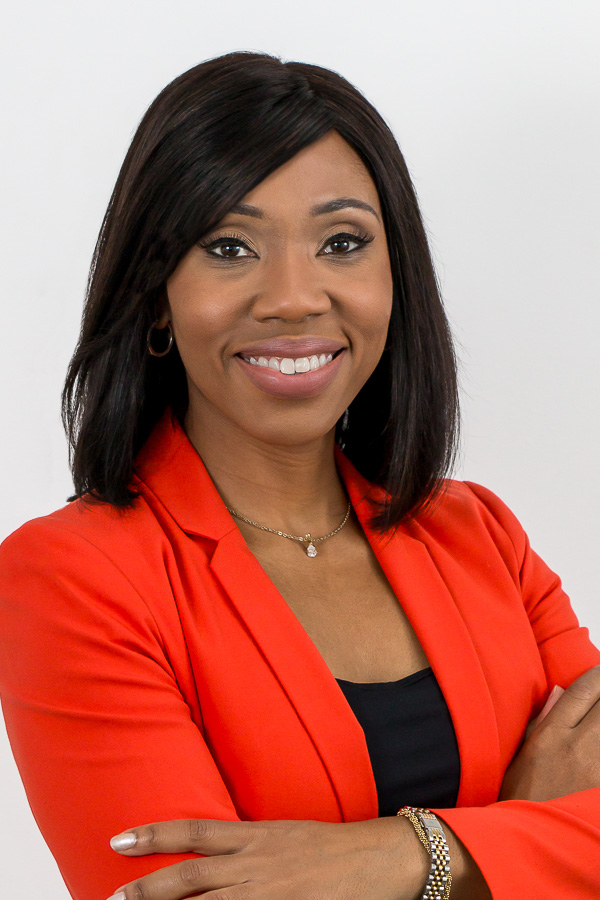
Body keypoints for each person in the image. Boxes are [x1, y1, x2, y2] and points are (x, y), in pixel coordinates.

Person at [0, 50, 599, 900]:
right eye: (231, 246)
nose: (292, 298)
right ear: (156, 295)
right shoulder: (71, 580)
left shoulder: (479, 536)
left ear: (396, 277)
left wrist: (401, 857)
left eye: (342, 242)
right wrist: (529, 834)